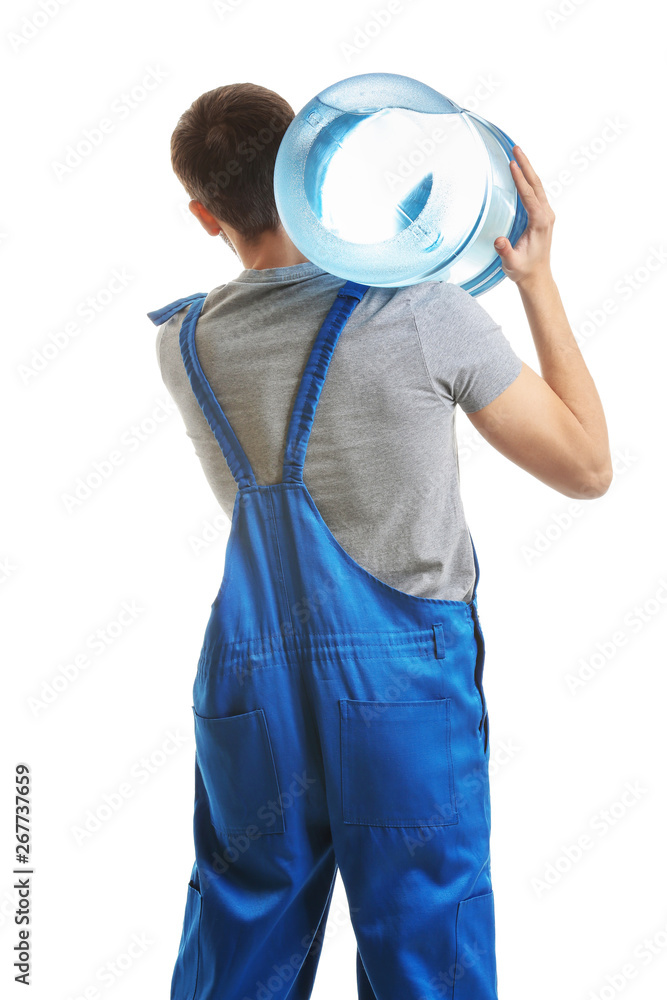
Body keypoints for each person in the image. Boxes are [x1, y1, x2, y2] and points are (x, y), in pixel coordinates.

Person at [148, 83, 612, 1000]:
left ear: (203, 217)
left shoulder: (185, 343)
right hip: (401, 687)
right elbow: (586, 466)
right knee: (423, 943)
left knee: (240, 935)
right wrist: (534, 280)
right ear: (313, 165)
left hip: (249, 686)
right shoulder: (416, 312)